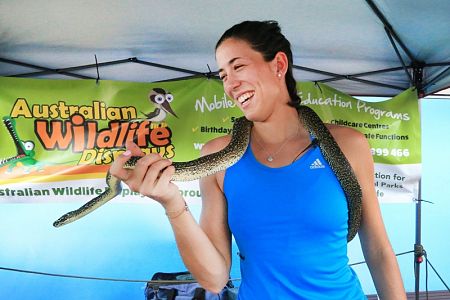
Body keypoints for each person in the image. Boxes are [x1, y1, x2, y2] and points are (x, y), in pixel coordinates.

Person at [110, 20, 406, 299]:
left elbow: (378, 250)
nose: (230, 84)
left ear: (279, 64)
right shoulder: (217, 156)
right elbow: (214, 279)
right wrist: (172, 203)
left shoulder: (348, 145)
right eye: (224, 75)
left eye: (238, 67)